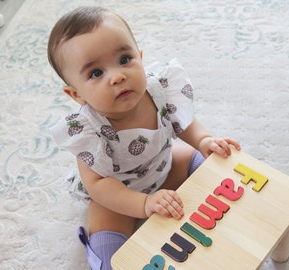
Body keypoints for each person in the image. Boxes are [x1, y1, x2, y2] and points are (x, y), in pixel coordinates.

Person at [48, 6, 241, 270]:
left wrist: (204, 140)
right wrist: (144, 203)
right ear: (76, 94)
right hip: (118, 192)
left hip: (163, 165)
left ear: (140, 56)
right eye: (96, 73)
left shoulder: (158, 89)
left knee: (214, 165)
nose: (118, 76)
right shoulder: (88, 130)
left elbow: (182, 122)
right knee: (110, 257)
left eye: (125, 59)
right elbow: (98, 185)